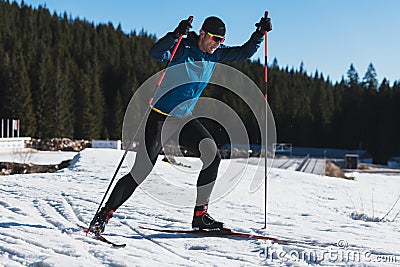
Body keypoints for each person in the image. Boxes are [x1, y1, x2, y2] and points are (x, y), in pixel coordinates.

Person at [89, 15, 272, 233]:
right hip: (159, 117)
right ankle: (103, 216)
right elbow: (156, 53)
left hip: (183, 119)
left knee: (212, 156)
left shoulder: (215, 55)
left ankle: (200, 217)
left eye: (221, 40)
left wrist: (259, 34)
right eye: (214, 38)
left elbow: (244, 52)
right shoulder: (182, 48)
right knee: (142, 169)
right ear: (203, 34)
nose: (217, 44)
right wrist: (175, 35)